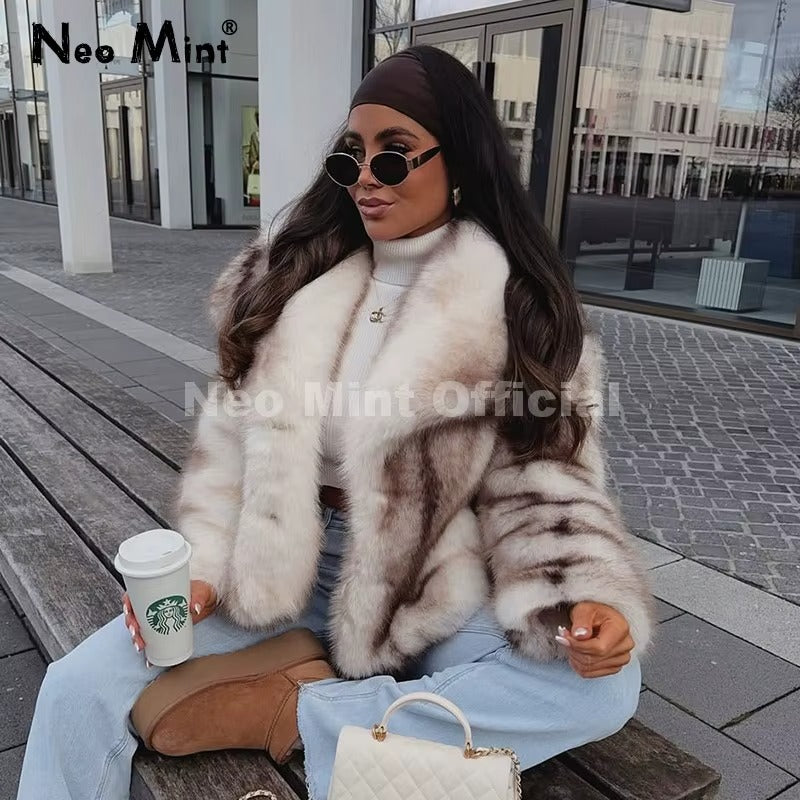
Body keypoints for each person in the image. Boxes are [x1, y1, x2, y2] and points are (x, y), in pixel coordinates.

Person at [17, 46, 656, 800]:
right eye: (350, 157)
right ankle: (319, 679)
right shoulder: (287, 279)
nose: (364, 179)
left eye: (393, 156)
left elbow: (546, 487)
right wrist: (202, 571)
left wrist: (584, 598)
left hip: (427, 581)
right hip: (276, 563)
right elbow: (227, 450)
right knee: (76, 688)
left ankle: (293, 709)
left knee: (598, 691)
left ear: (459, 163)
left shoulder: (520, 311)